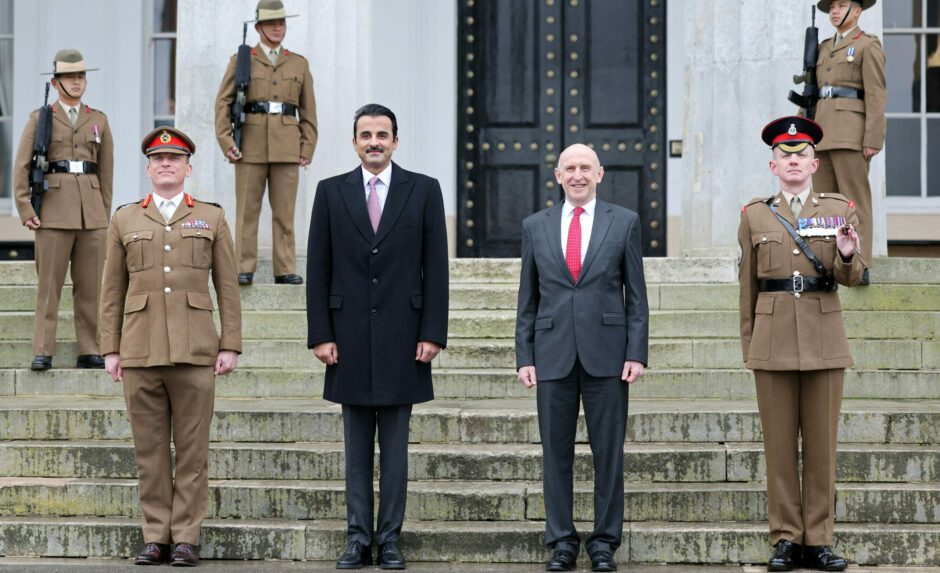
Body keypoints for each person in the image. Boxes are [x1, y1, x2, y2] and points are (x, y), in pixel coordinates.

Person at [307, 104, 448, 570]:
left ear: (395, 141)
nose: (374, 142)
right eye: (366, 134)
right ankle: (357, 538)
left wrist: (433, 332)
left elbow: (436, 268)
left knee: (396, 451)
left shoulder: (424, 190)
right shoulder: (331, 192)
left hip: (405, 338)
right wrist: (320, 334)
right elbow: (318, 267)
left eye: (382, 134)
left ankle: (389, 539)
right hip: (346, 338)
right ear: (354, 142)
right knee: (355, 452)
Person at [99, 127, 242, 567]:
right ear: (148, 168)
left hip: (196, 350)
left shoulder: (211, 217)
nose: (166, 164)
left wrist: (230, 343)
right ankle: (155, 536)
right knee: (150, 452)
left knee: (193, 451)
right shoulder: (125, 219)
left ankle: (186, 538)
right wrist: (110, 349)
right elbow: (111, 289)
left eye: (174, 159)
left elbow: (228, 286)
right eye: (158, 159)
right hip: (139, 351)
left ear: (187, 168)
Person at [515, 143, 649, 573]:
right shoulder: (535, 226)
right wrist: (524, 355)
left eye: (585, 168)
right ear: (557, 175)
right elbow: (527, 298)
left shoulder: (624, 222)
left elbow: (636, 296)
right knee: (555, 455)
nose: (577, 175)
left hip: (607, 355)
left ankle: (604, 542)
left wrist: (636, 352)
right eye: (569, 168)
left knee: (608, 454)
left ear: (599, 174)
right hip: (551, 354)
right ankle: (562, 542)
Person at [739, 116, 865, 572]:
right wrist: (750, 347)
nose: (793, 161)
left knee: (821, 447)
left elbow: (852, 276)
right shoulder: (754, 214)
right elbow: (746, 290)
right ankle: (786, 538)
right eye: (784, 156)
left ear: (814, 163)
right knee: (777, 448)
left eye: (802, 155)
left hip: (824, 338)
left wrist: (847, 253)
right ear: (773, 165)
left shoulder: (839, 210)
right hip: (772, 341)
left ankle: (820, 540)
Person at [13, 49, 113, 371]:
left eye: (81, 76)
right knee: (49, 287)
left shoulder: (98, 119)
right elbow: (21, 166)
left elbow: (106, 171)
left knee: (90, 286)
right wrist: (25, 207)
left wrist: (104, 214)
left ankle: (90, 349)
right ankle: (43, 349)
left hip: (91, 215)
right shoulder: (39, 118)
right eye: (70, 77)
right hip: (53, 212)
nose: (77, 81)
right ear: (56, 83)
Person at [214, 0, 318, 286]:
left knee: (285, 214)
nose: (277, 28)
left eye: (281, 23)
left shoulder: (298, 63)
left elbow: (308, 110)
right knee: (247, 212)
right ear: (258, 27)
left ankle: (285, 269)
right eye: (271, 23)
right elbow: (223, 102)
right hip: (250, 145)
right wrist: (226, 140)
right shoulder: (241, 60)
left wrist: (307, 146)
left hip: (287, 146)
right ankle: (242, 267)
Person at [812, 0, 885, 283]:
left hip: (851, 134)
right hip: (821, 132)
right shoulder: (822, 48)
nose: (834, 11)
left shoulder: (868, 45)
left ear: (857, 10)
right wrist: (803, 134)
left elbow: (876, 95)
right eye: (831, 7)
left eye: (841, 5)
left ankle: (859, 264)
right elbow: (813, 94)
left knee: (854, 202)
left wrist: (872, 137)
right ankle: (827, 264)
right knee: (823, 204)